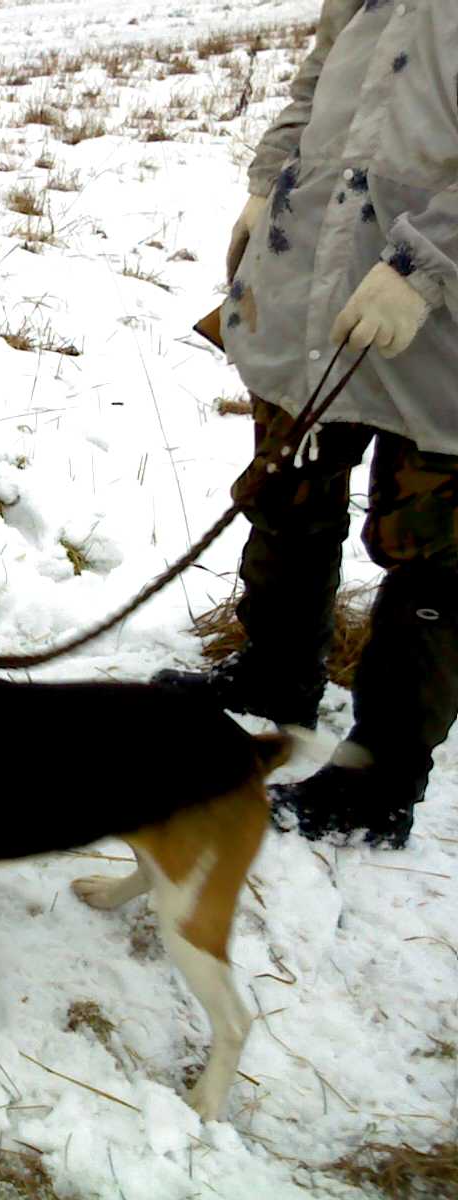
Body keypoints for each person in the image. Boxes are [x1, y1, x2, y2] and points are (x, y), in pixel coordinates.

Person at [155, 0, 457, 849]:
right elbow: (318, 79)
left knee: (432, 554)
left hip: (442, 318)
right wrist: (266, 189)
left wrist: (426, 267)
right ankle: (279, 673)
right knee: (289, 486)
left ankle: (378, 780)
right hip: (316, 279)